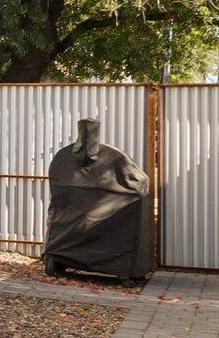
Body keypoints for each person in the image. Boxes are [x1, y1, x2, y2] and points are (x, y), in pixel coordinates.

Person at [44, 117, 149, 281]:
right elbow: (141, 182)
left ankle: (59, 258)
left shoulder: (63, 158)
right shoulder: (113, 157)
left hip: (69, 228)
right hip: (114, 242)